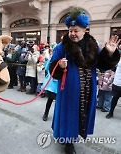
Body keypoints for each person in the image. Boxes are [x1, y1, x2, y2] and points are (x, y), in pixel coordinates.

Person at [49, 8, 120, 154]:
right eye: (70, 30)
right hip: (69, 89)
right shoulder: (62, 47)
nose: (72, 34)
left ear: (84, 30)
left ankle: (75, 136)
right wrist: (59, 66)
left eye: (76, 30)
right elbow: (52, 68)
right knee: (69, 115)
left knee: (82, 115)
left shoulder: (93, 46)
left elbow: (102, 65)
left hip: (88, 88)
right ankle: (67, 143)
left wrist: (109, 53)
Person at [106, 54, 121, 119]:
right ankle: (110, 112)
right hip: (117, 82)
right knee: (115, 98)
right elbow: (114, 68)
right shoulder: (119, 59)